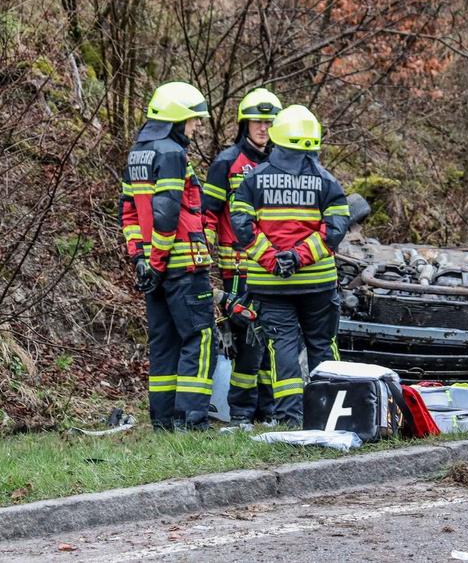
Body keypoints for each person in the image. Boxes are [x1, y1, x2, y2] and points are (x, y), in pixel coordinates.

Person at [229, 105, 350, 427]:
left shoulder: (253, 179)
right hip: (317, 284)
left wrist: (273, 259)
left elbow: (241, 225)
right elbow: (334, 230)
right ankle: (330, 416)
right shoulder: (327, 182)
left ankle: (289, 419)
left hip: (271, 286)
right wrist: (300, 257)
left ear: (276, 136)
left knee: (281, 348)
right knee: (322, 345)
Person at [119, 81, 218, 430]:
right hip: (181, 266)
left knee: (164, 342)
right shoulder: (172, 153)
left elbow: (129, 213)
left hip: (153, 269)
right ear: (176, 118)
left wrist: (141, 260)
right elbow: (166, 213)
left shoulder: (137, 153)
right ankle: (192, 420)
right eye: (193, 119)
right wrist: (158, 262)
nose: (197, 126)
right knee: (200, 337)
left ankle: (163, 421)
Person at [202, 87, 283, 424]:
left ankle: (268, 410)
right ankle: (242, 413)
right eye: (257, 122)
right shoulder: (227, 162)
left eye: (270, 122)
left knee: (271, 338)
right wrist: (204, 259)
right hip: (237, 268)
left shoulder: (282, 162)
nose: (263, 128)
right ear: (244, 124)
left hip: (275, 267)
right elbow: (208, 214)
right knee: (248, 339)